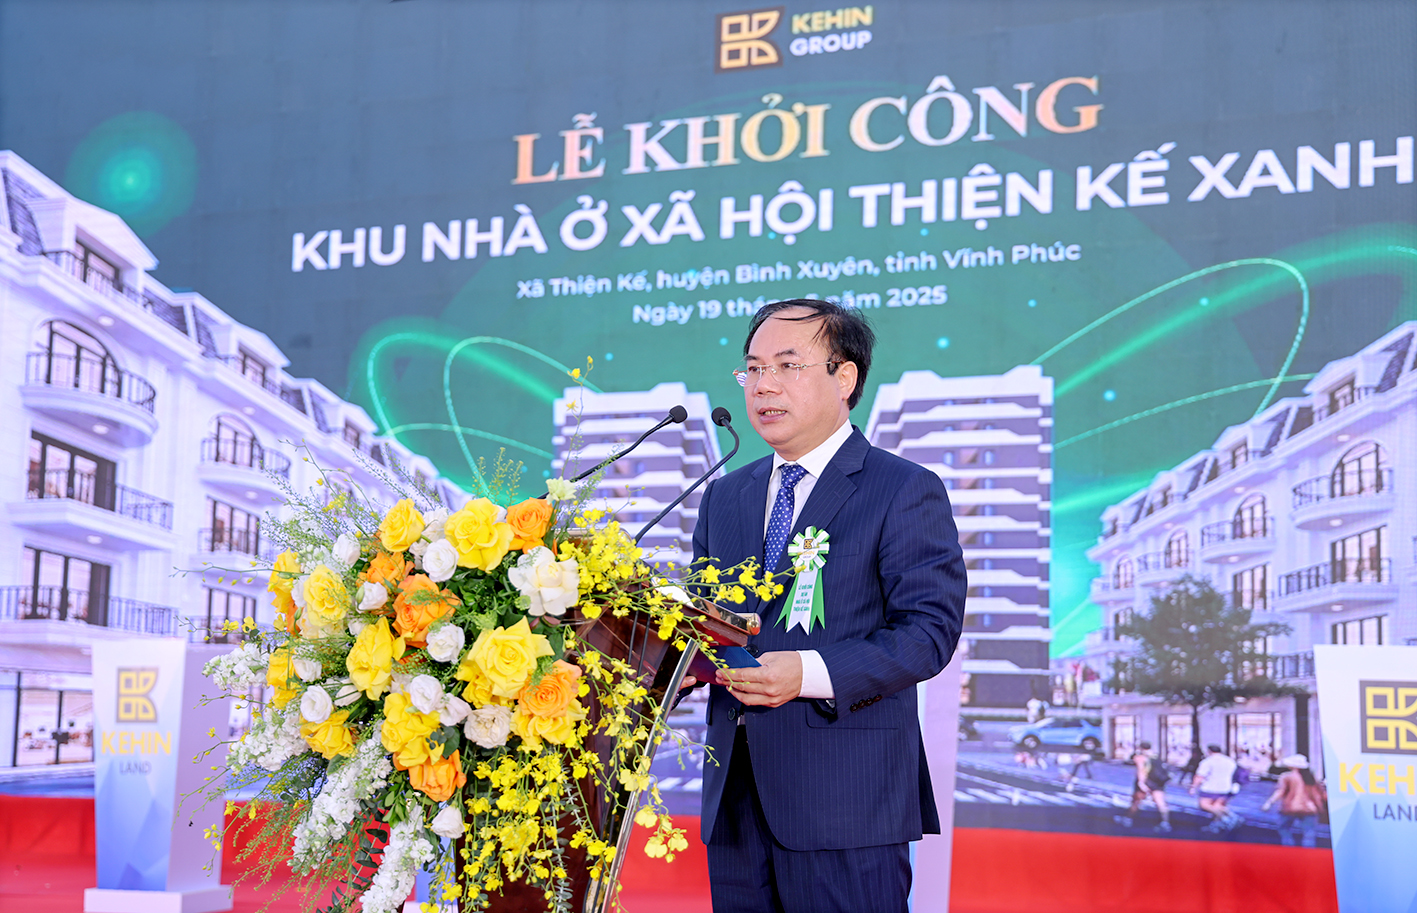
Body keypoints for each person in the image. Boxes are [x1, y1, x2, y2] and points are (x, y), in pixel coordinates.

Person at [683, 299, 967, 913]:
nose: (764, 385)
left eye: (788, 366)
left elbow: (928, 633)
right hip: (735, 803)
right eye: (754, 368)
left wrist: (807, 672)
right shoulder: (724, 496)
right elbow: (703, 625)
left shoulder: (902, 488)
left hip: (846, 804)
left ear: (845, 377)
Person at [1261, 754, 1323, 847]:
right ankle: (1309, 852)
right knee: (1309, 833)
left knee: (1284, 829)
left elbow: (1280, 792)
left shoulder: (1286, 776)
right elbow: (1316, 795)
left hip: (1290, 808)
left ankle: (1289, 848)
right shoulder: (1310, 777)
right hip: (1309, 808)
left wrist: (1269, 803)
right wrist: (1320, 808)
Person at [1114, 741, 1172, 833]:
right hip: (1158, 783)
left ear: (1141, 748)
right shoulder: (1156, 756)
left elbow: (1141, 771)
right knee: (1161, 803)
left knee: (1136, 802)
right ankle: (1165, 823)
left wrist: (1141, 783)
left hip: (1146, 782)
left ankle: (1128, 819)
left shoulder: (1140, 757)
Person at [1191, 744, 1241, 833]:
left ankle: (1227, 818)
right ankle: (1216, 825)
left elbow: (1200, 776)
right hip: (1226, 787)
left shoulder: (1207, 761)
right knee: (1218, 806)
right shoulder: (1230, 761)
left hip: (1210, 787)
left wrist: (1193, 787)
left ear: (1209, 751)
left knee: (1204, 805)